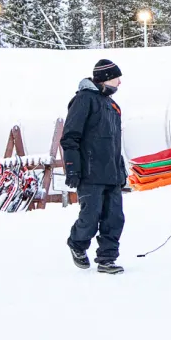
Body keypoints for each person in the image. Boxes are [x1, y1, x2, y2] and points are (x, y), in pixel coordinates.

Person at [61, 58, 126, 273]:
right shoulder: (84, 100)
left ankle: (107, 259)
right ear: (106, 78)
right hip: (90, 173)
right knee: (90, 217)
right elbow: (70, 137)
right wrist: (72, 166)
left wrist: (122, 170)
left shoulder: (112, 105)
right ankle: (77, 243)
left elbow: (115, 143)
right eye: (118, 78)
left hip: (112, 174)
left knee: (114, 219)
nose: (120, 83)